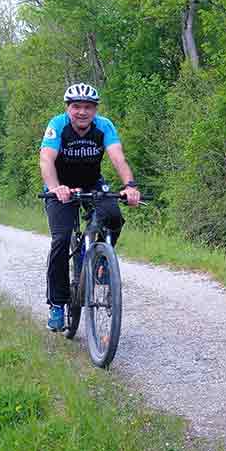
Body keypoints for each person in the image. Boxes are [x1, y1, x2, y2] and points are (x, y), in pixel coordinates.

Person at [40, 82, 141, 331]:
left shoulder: (104, 126)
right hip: (60, 187)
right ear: (68, 108)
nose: (82, 112)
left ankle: (101, 263)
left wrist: (129, 185)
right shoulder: (57, 125)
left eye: (88, 107)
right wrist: (55, 187)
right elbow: (46, 159)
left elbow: (118, 157)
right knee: (61, 240)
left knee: (114, 217)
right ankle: (57, 304)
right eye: (76, 107)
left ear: (95, 110)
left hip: (92, 183)